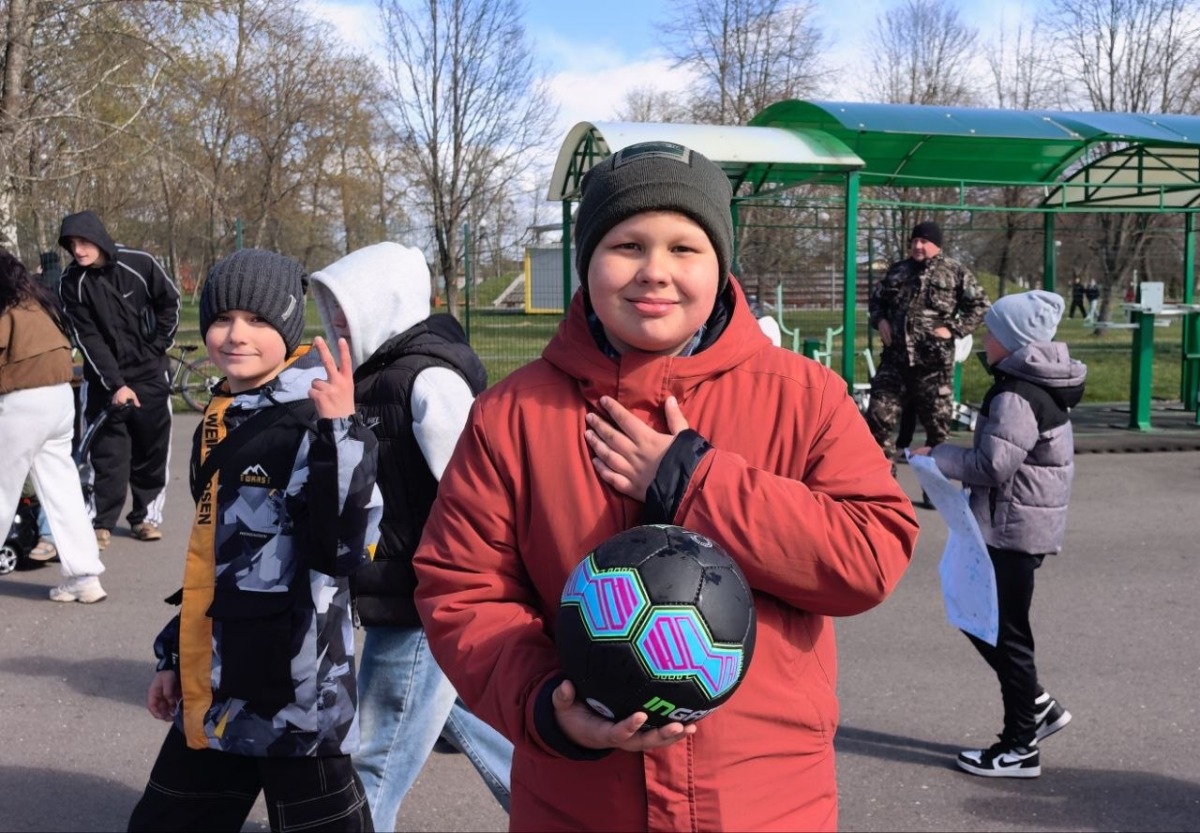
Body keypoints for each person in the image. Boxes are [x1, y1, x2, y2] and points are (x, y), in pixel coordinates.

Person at [411, 142, 919, 830]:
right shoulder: (513, 415)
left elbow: (870, 554)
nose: (655, 270)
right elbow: (462, 589)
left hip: (765, 802)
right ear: (587, 261)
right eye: (627, 245)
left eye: (685, 247)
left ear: (720, 264)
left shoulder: (805, 397)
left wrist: (693, 481)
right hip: (579, 805)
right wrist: (548, 703)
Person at [127, 249, 382, 832]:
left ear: (288, 327)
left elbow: (344, 550)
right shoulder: (221, 416)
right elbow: (216, 561)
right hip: (219, 688)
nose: (236, 334)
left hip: (295, 697)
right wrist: (175, 656)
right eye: (222, 318)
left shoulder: (318, 415)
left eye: (259, 320)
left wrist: (341, 431)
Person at [308, 242, 513, 829]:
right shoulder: (368, 378)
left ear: (387, 303)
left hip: (423, 601)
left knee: (375, 753)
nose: (338, 318)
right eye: (331, 304)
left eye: (350, 303)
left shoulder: (427, 380)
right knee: (455, 718)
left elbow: (477, 492)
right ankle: (561, 808)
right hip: (397, 593)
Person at [912, 289, 1085, 779]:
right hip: (1022, 524)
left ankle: (1020, 747)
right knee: (981, 619)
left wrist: (937, 456)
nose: (984, 340)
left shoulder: (1015, 394)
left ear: (1013, 341)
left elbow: (993, 465)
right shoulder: (1035, 382)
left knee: (1003, 633)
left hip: (1011, 530)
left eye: (991, 332)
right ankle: (1038, 707)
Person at [57, 210, 180, 550]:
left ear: (99, 238)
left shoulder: (139, 263)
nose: (78, 250)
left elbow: (170, 301)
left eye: (84, 242)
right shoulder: (71, 282)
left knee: (151, 450)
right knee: (106, 454)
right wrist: (116, 384)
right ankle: (100, 523)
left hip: (150, 375)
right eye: (71, 244)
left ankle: (145, 517)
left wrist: (158, 346)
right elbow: (88, 339)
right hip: (104, 382)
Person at [0, 249, 106, 602]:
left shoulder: (6, 309)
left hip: (22, 401)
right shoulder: (37, 302)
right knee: (62, 490)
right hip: (60, 398)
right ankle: (84, 576)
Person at [865, 220, 990, 465]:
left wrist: (952, 329)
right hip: (895, 362)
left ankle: (934, 480)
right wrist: (881, 321)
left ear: (937, 245)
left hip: (933, 365)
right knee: (878, 417)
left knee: (937, 431)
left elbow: (981, 306)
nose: (918, 246)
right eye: (914, 241)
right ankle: (884, 478)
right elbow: (876, 302)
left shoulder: (955, 272)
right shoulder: (898, 271)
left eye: (924, 241)